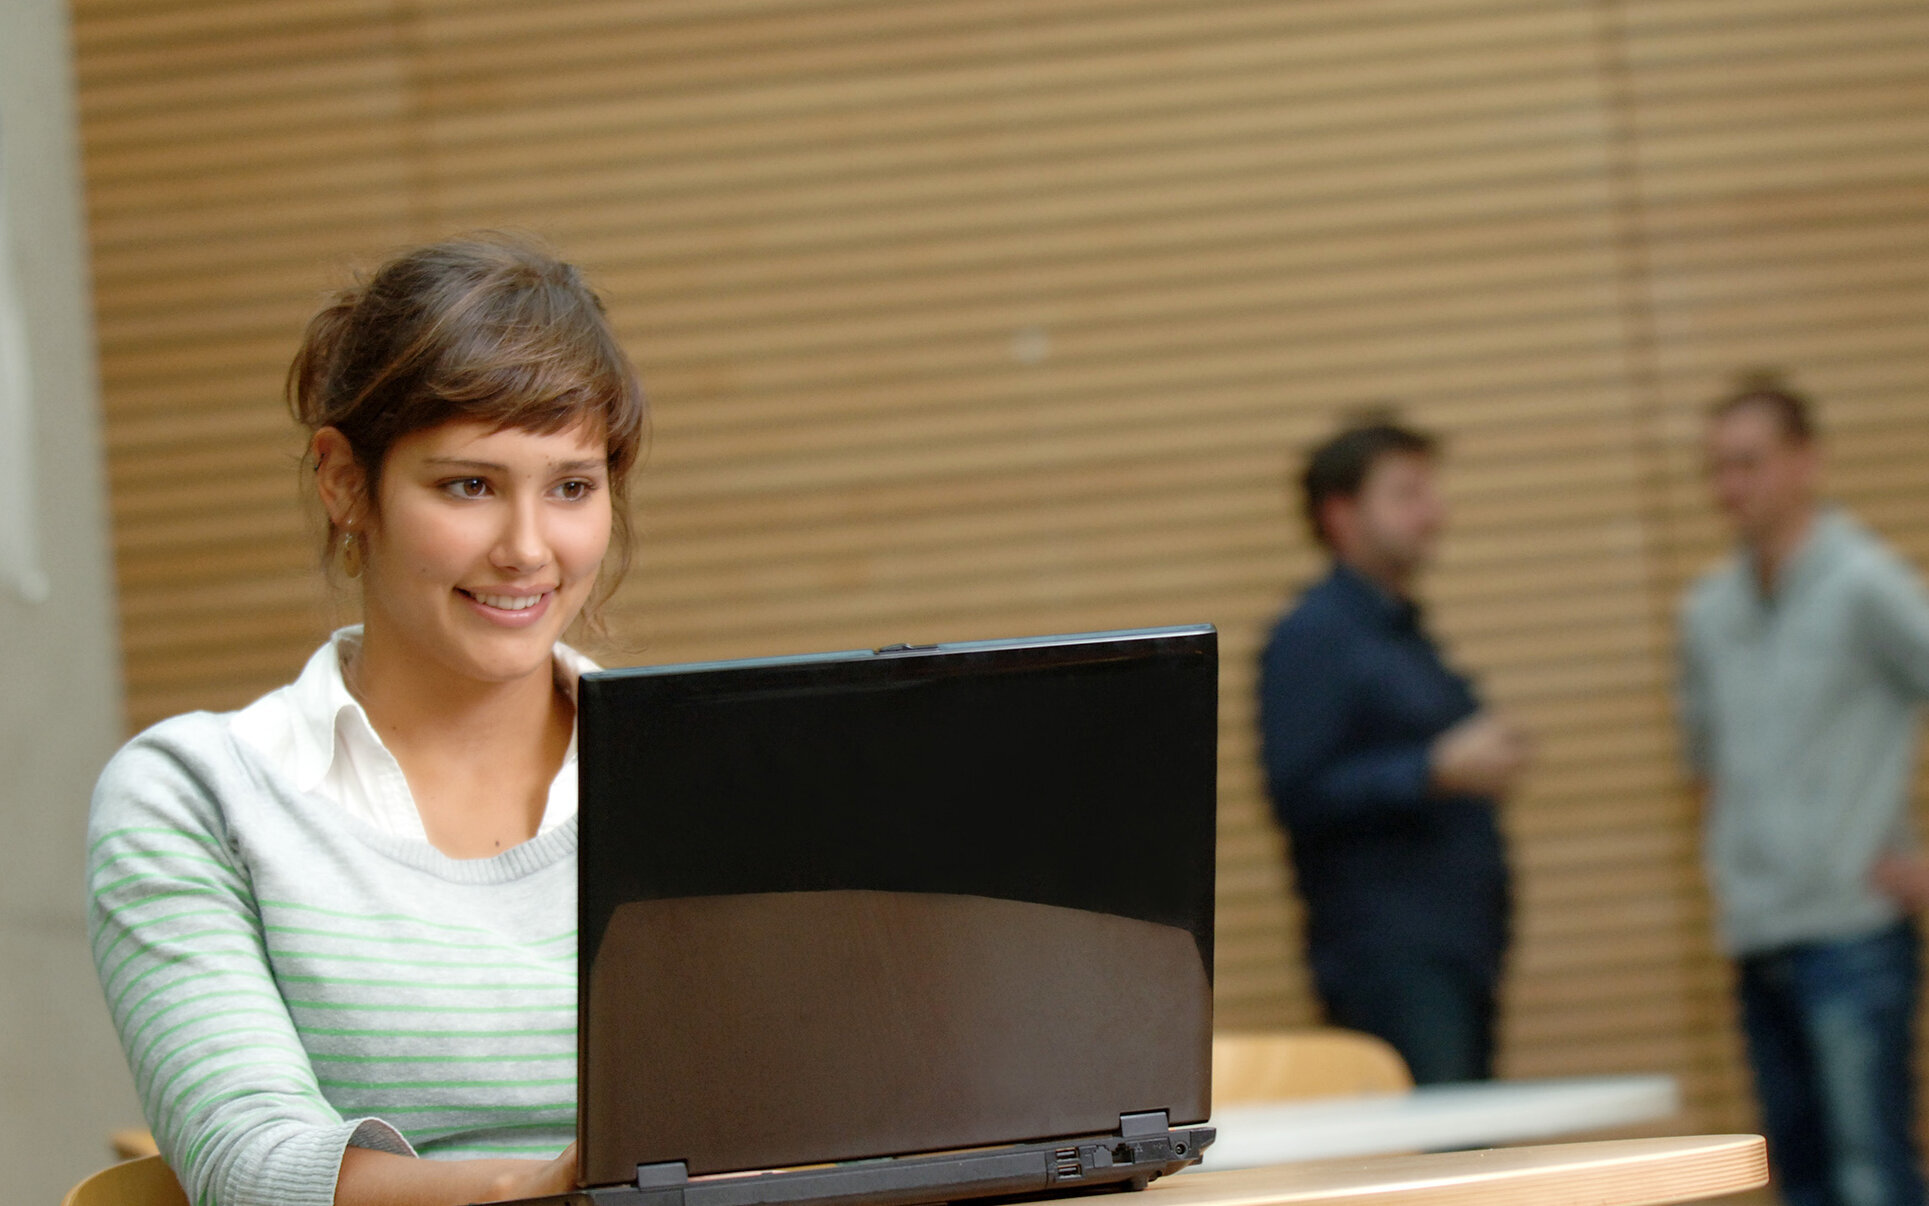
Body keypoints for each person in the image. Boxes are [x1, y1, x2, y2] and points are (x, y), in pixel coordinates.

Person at [86, 234, 647, 1206]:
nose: (527, 548)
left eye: (571, 487)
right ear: (346, 482)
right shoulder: (196, 794)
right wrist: (552, 1188)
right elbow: (251, 1169)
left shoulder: (699, 773)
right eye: (468, 485)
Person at [1679, 373, 1929, 1206]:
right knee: (1798, 1178)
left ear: (1805, 463)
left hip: (1851, 934)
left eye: (1748, 463)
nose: (1730, 488)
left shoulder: (1864, 585)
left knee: (1871, 1173)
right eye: (1716, 468)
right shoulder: (1707, 612)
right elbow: (1704, 766)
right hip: (1757, 934)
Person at [1258, 418, 1530, 1085]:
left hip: (1456, 945)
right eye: (1407, 494)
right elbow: (1296, 791)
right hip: (1390, 957)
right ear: (1341, 515)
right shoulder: (1312, 636)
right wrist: (1430, 770)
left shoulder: (1401, 631)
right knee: (1437, 1172)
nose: (1433, 513)